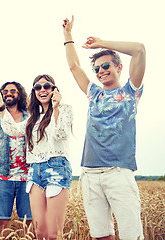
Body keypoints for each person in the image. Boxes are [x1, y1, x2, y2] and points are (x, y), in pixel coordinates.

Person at [63, 16, 146, 240]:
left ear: (119, 67)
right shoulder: (94, 94)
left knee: (132, 235)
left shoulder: (131, 92)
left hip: (119, 172)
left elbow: (139, 49)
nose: (100, 71)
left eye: (106, 65)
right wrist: (67, 35)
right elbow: (74, 66)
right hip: (89, 172)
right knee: (101, 235)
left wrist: (102, 44)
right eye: (97, 68)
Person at [0, 75, 73, 240]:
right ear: (33, 92)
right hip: (34, 171)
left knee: (53, 233)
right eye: (37, 87)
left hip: (56, 168)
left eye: (47, 86)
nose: (42, 90)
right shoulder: (33, 118)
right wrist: (1, 108)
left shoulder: (65, 109)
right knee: (39, 232)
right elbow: (11, 130)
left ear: (54, 89)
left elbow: (61, 134)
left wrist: (56, 107)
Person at [0, 81, 32, 238]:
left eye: (13, 91)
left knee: (28, 221)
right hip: (4, 176)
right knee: (1, 221)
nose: (8, 94)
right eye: (5, 91)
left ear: (19, 94)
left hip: (28, 176)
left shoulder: (30, 116)